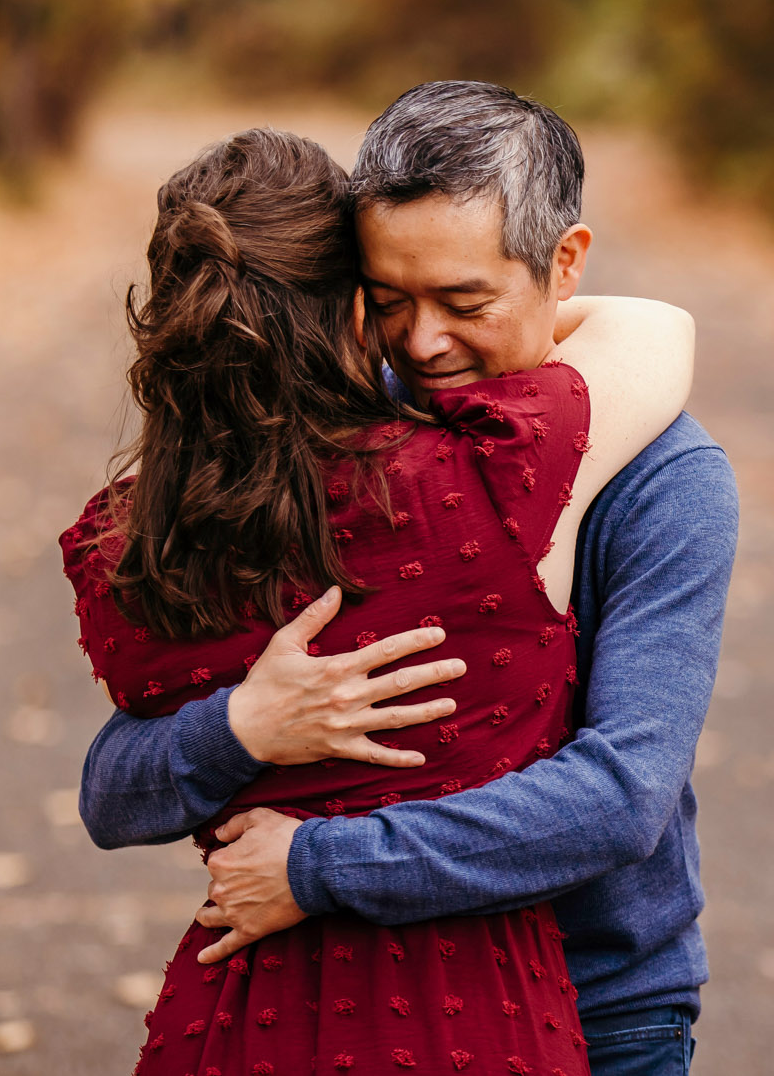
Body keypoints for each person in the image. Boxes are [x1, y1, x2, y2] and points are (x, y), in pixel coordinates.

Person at [80, 83, 739, 1076]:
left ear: (564, 264)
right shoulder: (330, 452)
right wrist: (242, 726)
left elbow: (622, 793)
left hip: (603, 1001)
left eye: (464, 302)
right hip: (340, 1006)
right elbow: (111, 786)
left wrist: (314, 865)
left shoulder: (663, 482)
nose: (422, 344)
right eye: (390, 301)